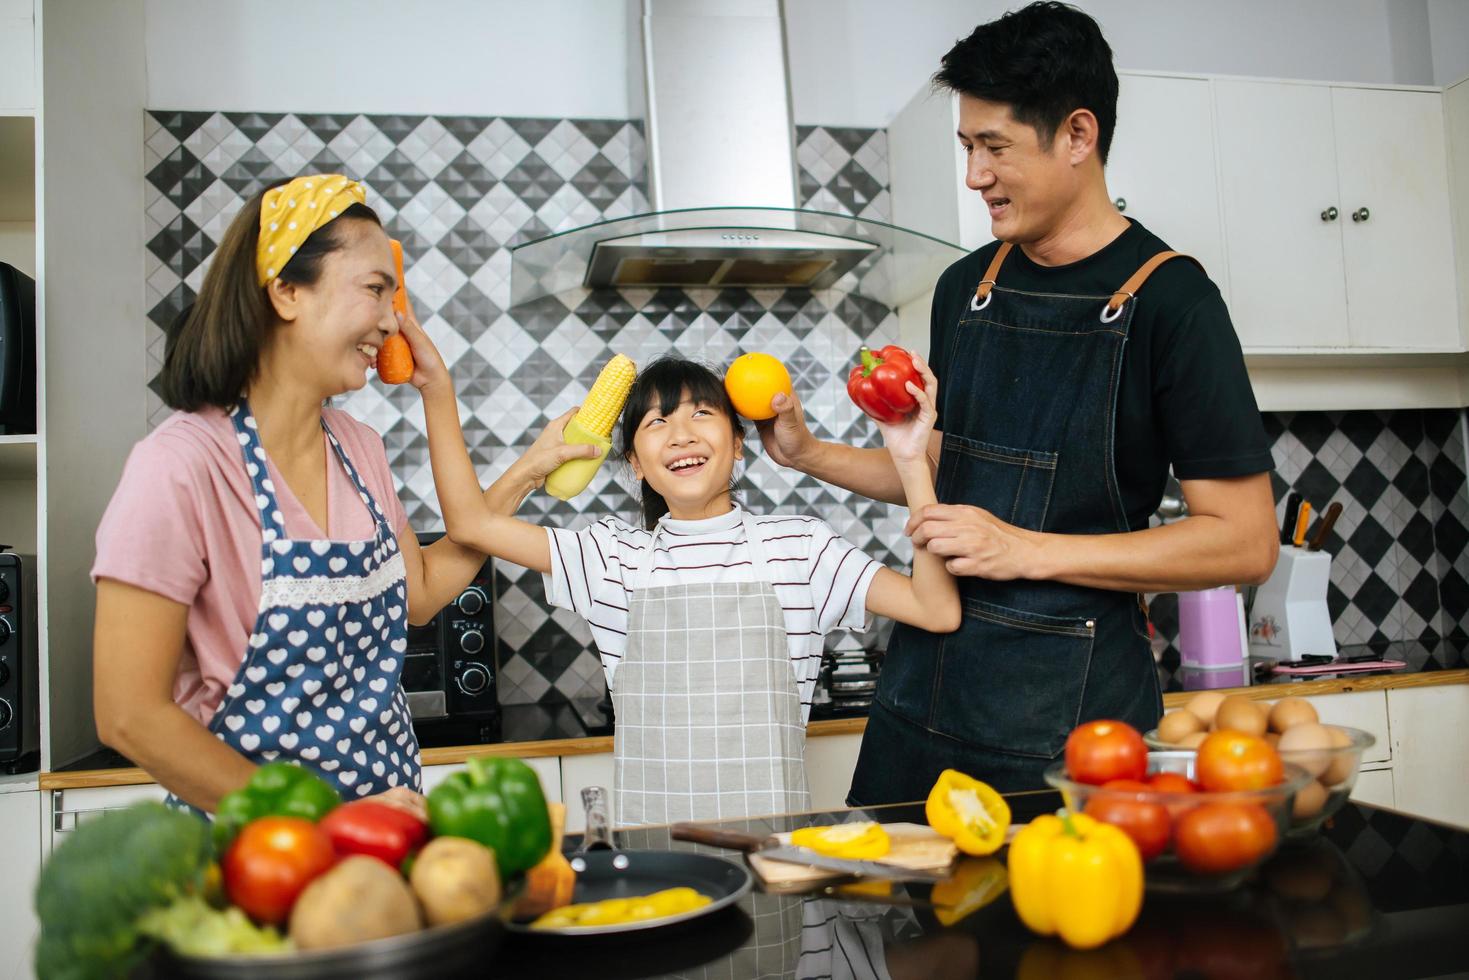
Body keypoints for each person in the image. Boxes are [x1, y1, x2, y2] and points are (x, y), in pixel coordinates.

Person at [758, 2, 1279, 798]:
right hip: (922, 692)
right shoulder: (967, 287)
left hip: (1072, 721)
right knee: (886, 921)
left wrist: (1029, 549)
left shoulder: (1174, 302)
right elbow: (939, 468)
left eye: (994, 147)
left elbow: (1243, 543)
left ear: (1077, 135)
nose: (974, 175)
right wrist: (806, 454)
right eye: (967, 146)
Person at [91, 174, 597, 813]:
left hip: (387, 852)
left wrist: (525, 463)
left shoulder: (358, 448)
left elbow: (420, 593)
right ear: (286, 291)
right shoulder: (179, 468)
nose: (392, 322)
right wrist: (324, 827)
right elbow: (128, 714)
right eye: (375, 290)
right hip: (257, 864)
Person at [413, 350, 960, 825]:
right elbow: (468, 524)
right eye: (656, 422)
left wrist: (911, 462)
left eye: (702, 413)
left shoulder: (801, 547)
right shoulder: (609, 558)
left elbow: (934, 609)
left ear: (739, 443)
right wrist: (528, 462)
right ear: (634, 464)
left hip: (776, 856)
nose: (682, 434)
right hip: (659, 863)